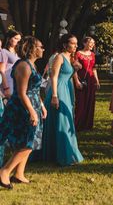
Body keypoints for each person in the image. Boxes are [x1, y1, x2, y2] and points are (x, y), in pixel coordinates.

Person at [0, 37, 45, 188]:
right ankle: (4, 171)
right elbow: (21, 93)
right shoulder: (24, 66)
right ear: (32, 48)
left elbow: (35, 89)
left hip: (32, 105)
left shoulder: (32, 65)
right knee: (28, 143)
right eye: (40, 46)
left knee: (27, 141)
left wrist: (42, 106)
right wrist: (32, 112)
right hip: (22, 108)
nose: (43, 49)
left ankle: (19, 174)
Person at [39, 34, 84, 165]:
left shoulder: (70, 57)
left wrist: (74, 69)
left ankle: (65, 152)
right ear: (65, 44)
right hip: (58, 90)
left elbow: (67, 76)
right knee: (62, 122)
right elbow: (53, 77)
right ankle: (63, 155)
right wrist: (54, 96)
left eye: (76, 43)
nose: (76, 46)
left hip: (67, 88)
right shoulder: (59, 57)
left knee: (66, 120)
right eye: (73, 43)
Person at [74, 36, 100, 131]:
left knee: (90, 101)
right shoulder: (78, 54)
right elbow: (74, 69)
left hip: (90, 80)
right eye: (90, 43)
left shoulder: (93, 54)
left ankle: (87, 125)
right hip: (81, 80)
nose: (92, 45)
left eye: (93, 43)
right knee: (80, 102)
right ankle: (77, 124)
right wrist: (76, 81)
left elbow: (93, 68)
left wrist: (97, 80)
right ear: (84, 43)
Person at [0, 30, 22, 106]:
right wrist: (6, 88)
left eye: (19, 39)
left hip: (15, 83)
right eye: (16, 38)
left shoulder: (17, 53)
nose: (18, 41)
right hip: (7, 83)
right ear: (9, 39)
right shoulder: (4, 51)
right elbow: (2, 71)